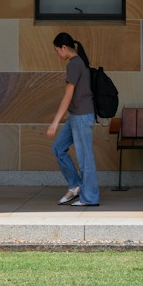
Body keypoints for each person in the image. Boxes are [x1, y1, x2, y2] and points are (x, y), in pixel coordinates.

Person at [47, 32, 99, 207]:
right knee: (58, 148)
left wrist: (55, 122)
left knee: (85, 158)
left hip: (82, 116)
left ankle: (90, 197)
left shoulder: (75, 64)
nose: (58, 55)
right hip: (76, 116)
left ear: (63, 48)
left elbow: (67, 96)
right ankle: (76, 185)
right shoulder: (77, 63)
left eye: (57, 51)